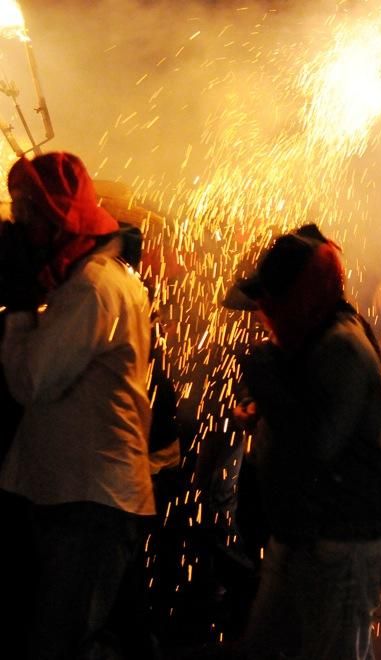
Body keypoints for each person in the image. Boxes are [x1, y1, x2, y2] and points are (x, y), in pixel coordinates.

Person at [0, 152, 155, 658]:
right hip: (75, 497)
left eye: (29, 213)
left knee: (61, 645)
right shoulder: (81, 283)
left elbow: (32, 379)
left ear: (61, 221)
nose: (20, 224)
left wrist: (21, 306)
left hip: (90, 502)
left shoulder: (93, 287)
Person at [228, 225, 381, 660]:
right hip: (305, 532)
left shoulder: (341, 345)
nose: (263, 314)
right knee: (266, 647)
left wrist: (266, 379)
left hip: (344, 537)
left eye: (271, 303)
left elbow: (316, 444)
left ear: (300, 297)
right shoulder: (314, 335)